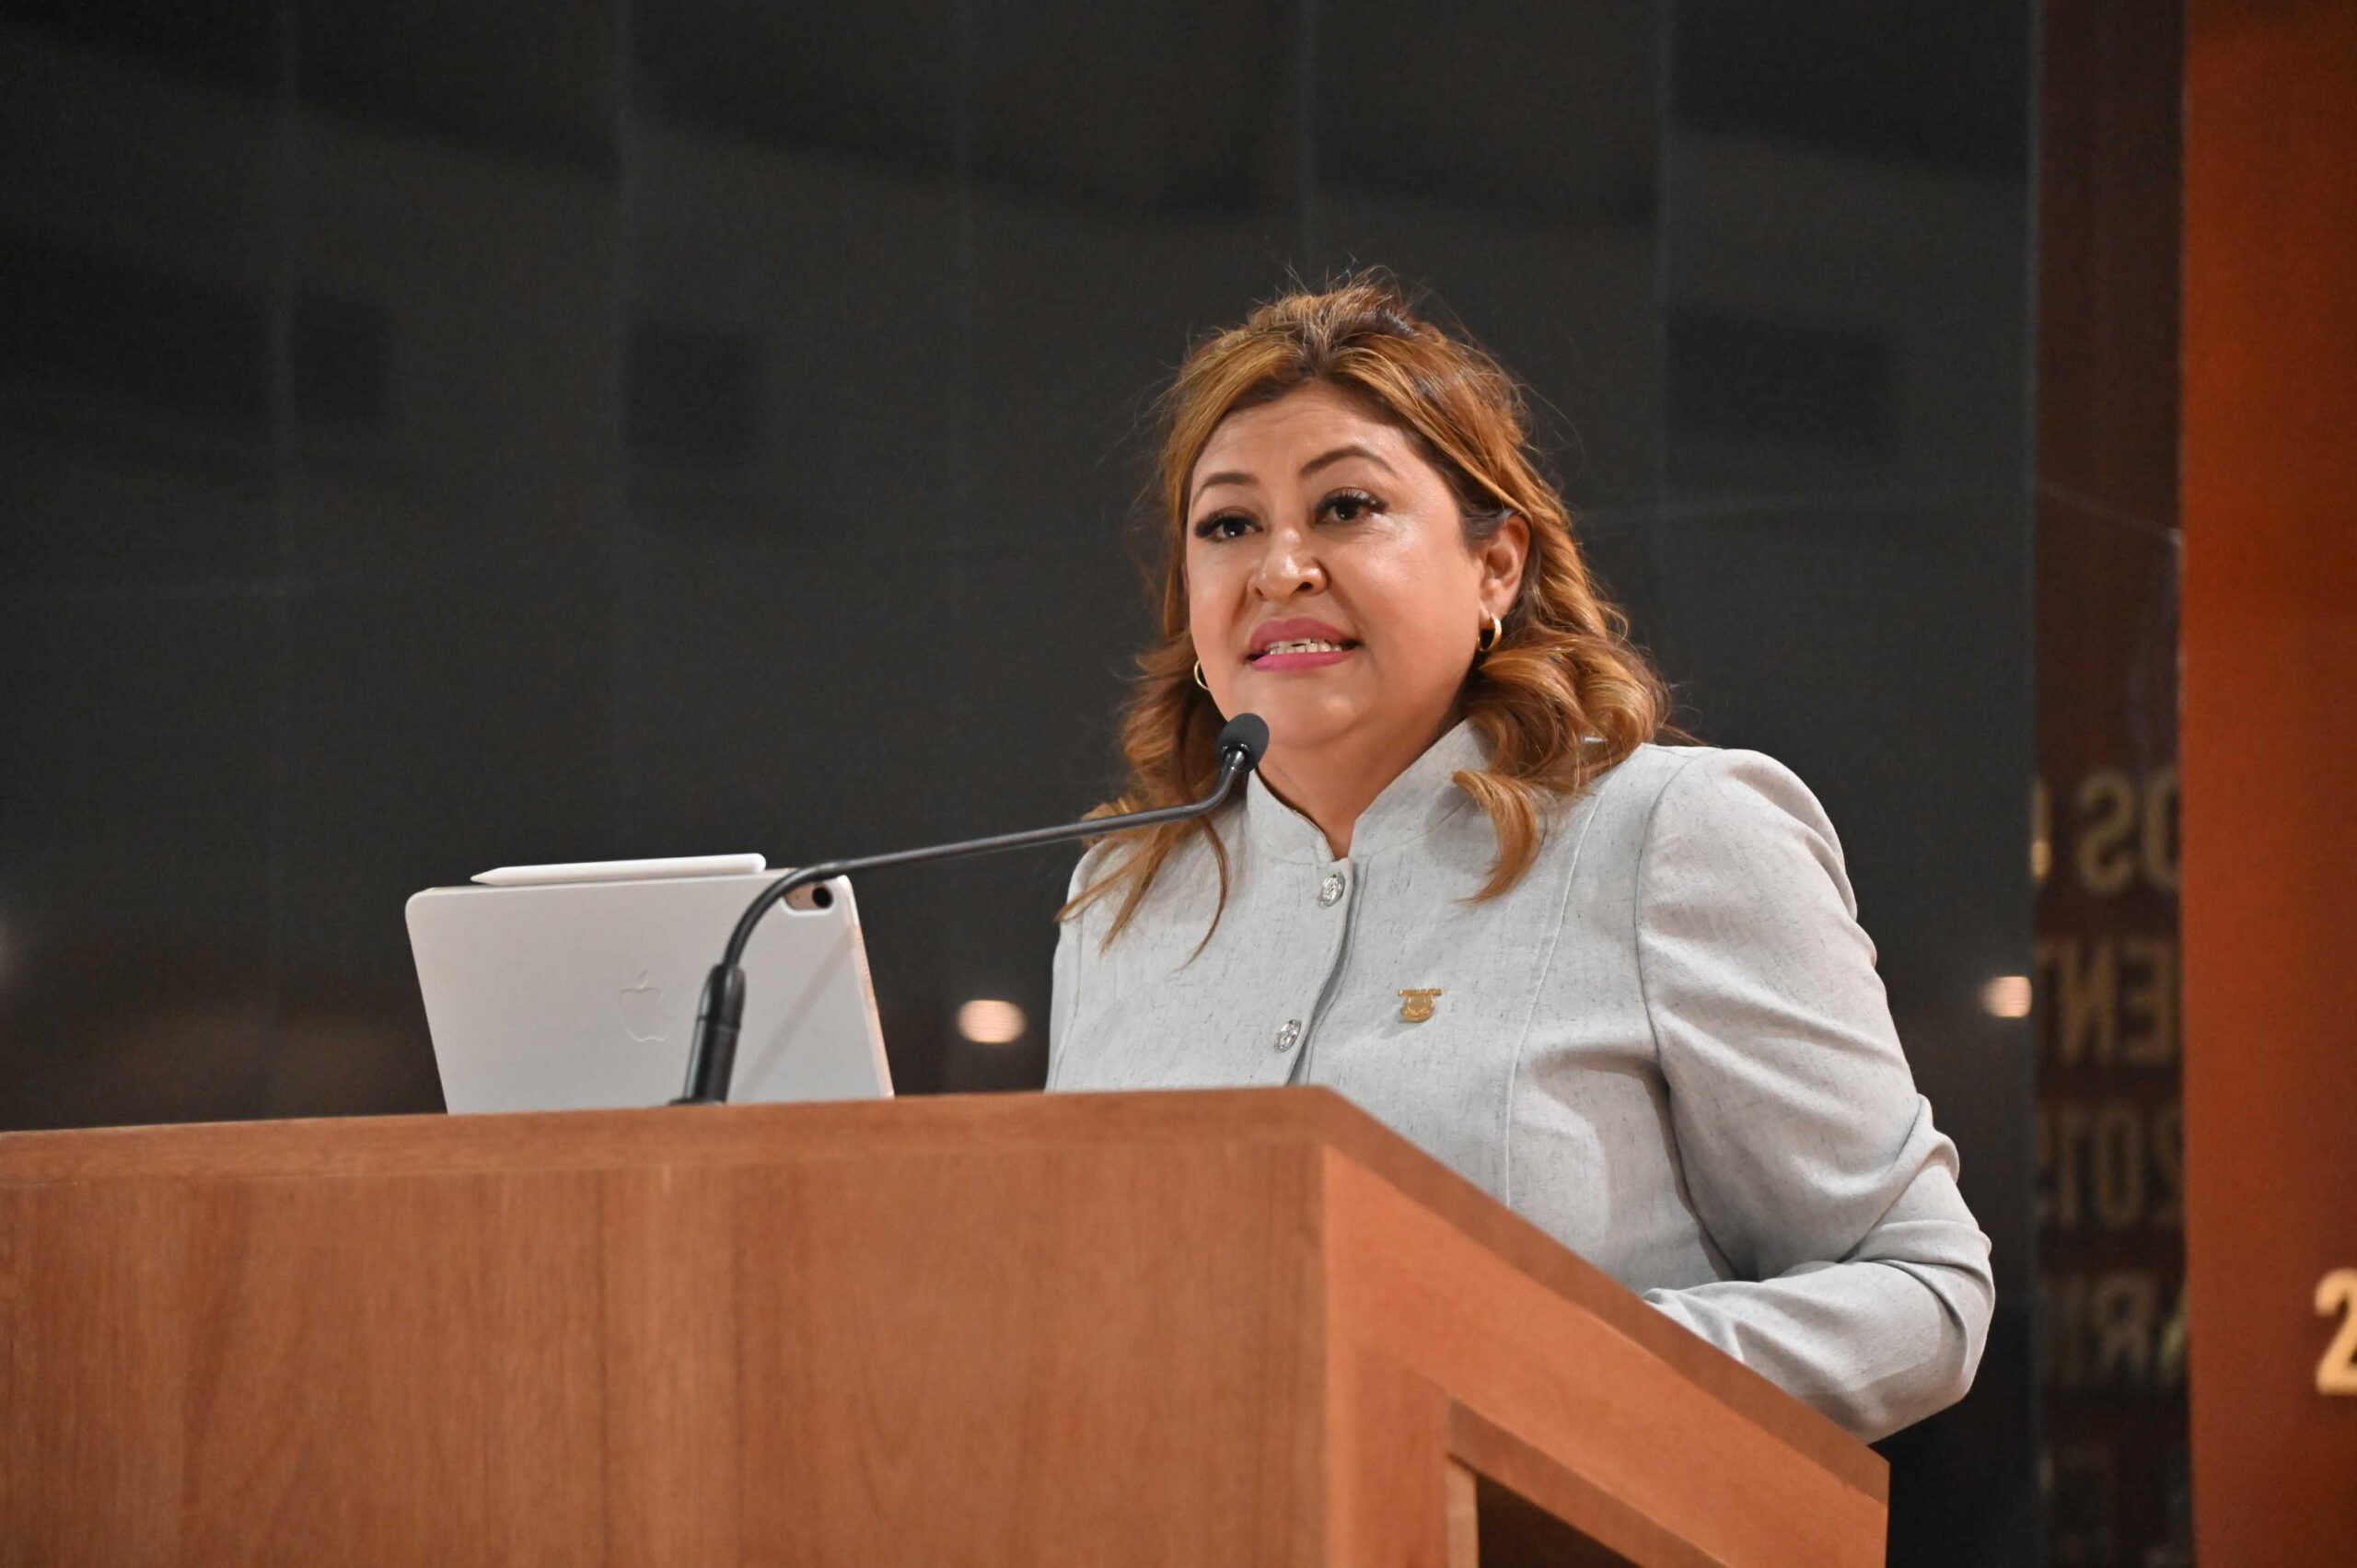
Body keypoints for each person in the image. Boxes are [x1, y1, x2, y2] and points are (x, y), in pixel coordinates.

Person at [1044, 274, 1992, 1444]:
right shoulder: (1121, 894)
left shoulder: (1669, 832)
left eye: (1346, 507)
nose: (1279, 567)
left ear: (1495, 566)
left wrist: (1542, 1367)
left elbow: (1921, 1289)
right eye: (1228, 525)